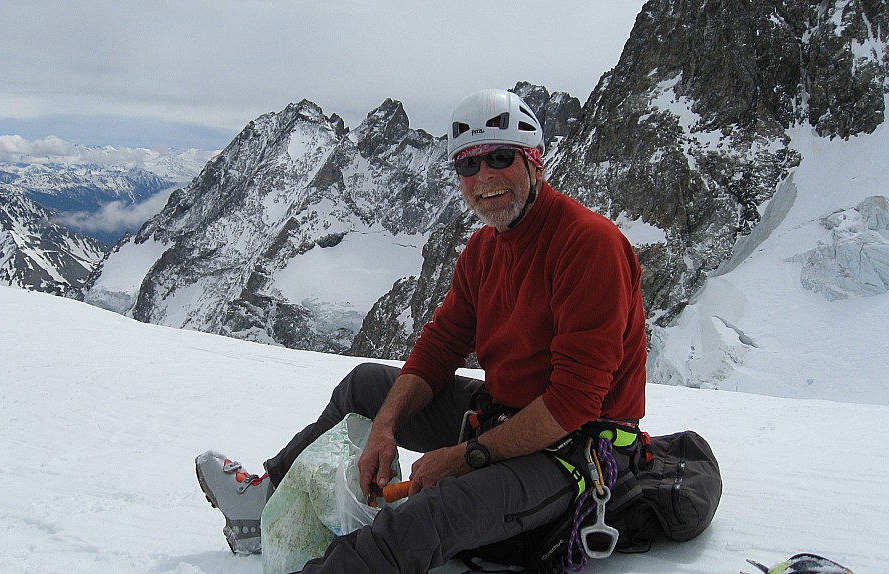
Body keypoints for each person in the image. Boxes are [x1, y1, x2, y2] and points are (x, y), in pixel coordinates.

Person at [196, 88, 647, 573]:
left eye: (500, 157)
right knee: (365, 387)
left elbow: (573, 403)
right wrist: (384, 429)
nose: (484, 177)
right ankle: (263, 501)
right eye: (467, 165)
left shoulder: (588, 245)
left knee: (427, 517)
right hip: (502, 416)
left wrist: (464, 457)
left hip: (575, 450)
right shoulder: (484, 252)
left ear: (535, 160)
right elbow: (438, 348)